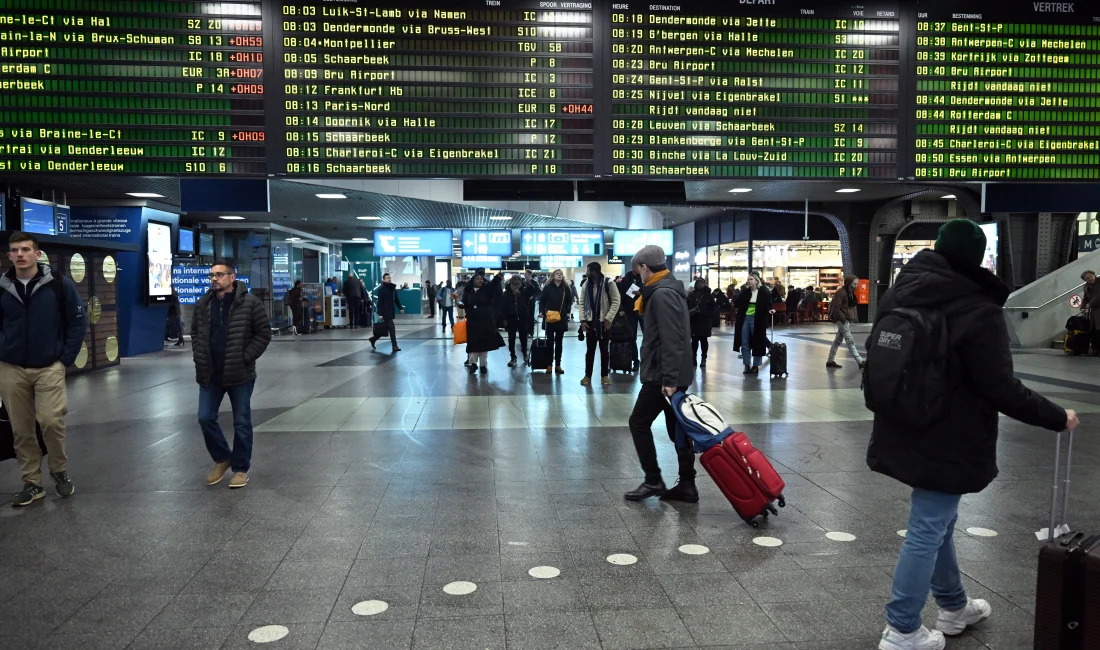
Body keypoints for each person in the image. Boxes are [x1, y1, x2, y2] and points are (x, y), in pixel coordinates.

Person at [868, 219, 1078, 650]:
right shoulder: (978, 308)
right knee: (928, 525)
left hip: (902, 422)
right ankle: (902, 629)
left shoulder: (899, 291)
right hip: (951, 434)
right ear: (979, 258)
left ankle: (953, 606)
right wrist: (1058, 416)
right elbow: (999, 386)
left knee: (938, 521)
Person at [1, 232, 86, 507]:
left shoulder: (59, 284)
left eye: (26, 249)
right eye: (15, 250)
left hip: (49, 365)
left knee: (51, 420)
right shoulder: (2, 286)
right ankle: (32, 482)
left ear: (37, 255)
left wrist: (65, 359)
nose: (20, 254)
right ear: (9, 256)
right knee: (21, 428)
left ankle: (59, 471)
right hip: (11, 367)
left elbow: (77, 322)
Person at [623, 245, 696, 503]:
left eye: (638, 271)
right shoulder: (666, 289)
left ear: (645, 267)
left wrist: (670, 380)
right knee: (677, 426)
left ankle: (653, 479)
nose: (638, 276)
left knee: (638, 422)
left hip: (662, 375)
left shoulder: (662, 294)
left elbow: (672, 339)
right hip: (669, 373)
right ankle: (687, 484)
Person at [191, 261, 271, 490]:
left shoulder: (250, 303)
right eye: (211, 275)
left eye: (219, 275)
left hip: (240, 373)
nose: (214, 279)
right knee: (205, 417)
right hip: (210, 373)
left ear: (232, 277)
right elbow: (195, 332)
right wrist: (199, 356)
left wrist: (246, 356)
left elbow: (263, 333)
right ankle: (223, 457)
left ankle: (240, 469)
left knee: (242, 422)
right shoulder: (203, 304)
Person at [578, 262, 621, 386]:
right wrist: (582, 320)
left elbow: (616, 301)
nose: (587, 273)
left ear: (594, 272)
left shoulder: (609, 283)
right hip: (590, 321)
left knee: (604, 350)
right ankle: (588, 375)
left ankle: (604, 376)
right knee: (590, 350)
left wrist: (609, 318)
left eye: (588, 270)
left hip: (604, 322)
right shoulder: (586, 284)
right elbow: (581, 302)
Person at [461, 271, 504, 372]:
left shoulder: (486, 290)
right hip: (472, 322)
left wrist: (497, 278)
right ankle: (473, 363)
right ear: (473, 281)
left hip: (485, 321)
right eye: (477, 279)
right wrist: (459, 303)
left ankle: (483, 365)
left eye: (481, 279)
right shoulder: (468, 291)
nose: (480, 280)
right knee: (473, 344)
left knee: (484, 344)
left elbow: (493, 285)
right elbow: (463, 302)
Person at [733, 275, 772, 375]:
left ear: (756, 281)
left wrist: (770, 309)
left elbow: (768, 303)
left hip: (757, 319)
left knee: (758, 342)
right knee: (745, 342)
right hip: (745, 319)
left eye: (751, 279)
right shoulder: (745, 292)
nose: (749, 281)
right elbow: (736, 302)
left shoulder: (763, 292)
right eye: (748, 280)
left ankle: (755, 365)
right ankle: (746, 365)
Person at [538, 269, 575, 374]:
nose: (559, 275)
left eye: (561, 274)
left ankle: (558, 364)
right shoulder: (547, 288)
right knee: (550, 342)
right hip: (549, 317)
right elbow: (542, 301)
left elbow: (569, 301)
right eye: (557, 274)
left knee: (559, 342)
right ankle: (549, 364)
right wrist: (541, 312)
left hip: (561, 318)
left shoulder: (565, 288)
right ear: (553, 276)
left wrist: (567, 311)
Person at [826, 273, 864, 370]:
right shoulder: (841, 293)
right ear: (849, 283)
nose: (856, 286)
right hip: (842, 320)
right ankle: (859, 361)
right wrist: (843, 320)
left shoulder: (849, 292)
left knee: (837, 341)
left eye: (857, 284)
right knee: (849, 340)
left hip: (846, 320)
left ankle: (830, 360)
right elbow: (836, 308)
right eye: (854, 284)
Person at [501, 274, 540, 367]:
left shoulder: (525, 290)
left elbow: (535, 292)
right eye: (514, 279)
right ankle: (513, 357)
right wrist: (504, 318)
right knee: (511, 338)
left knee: (523, 337)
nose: (516, 281)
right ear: (511, 281)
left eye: (518, 279)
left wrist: (530, 284)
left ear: (521, 281)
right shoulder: (507, 292)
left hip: (523, 317)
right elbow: (503, 306)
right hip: (511, 318)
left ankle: (525, 354)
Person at [369, 273, 403, 351]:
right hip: (385, 312)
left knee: (385, 328)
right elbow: (380, 302)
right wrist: (380, 313)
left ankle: (373, 339)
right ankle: (395, 346)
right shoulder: (382, 290)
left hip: (391, 311)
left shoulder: (392, 288)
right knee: (392, 328)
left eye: (389, 277)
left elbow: (396, 299)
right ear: (383, 280)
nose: (389, 279)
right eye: (387, 278)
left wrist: (400, 308)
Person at [617, 270, 643, 371]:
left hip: (642, 311)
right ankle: (635, 361)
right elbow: (622, 297)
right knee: (632, 337)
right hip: (631, 311)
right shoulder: (625, 281)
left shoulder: (644, 279)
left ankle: (644, 361)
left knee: (648, 337)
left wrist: (641, 293)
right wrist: (622, 310)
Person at [687, 279, 715, 368]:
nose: (699, 284)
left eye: (701, 283)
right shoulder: (692, 295)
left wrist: (704, 313)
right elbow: (688, 306)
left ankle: (703, 359)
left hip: (705, 322)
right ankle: (693, 358)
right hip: (694, 321)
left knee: (704, 341)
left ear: (705, 284)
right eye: (698, 283)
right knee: (694, 341)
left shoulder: (709, 296)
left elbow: (713, 309)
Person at [1082, 270, 1100, 355]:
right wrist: (1082, 307)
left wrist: (1090, 304)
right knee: (1093, 331)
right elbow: (1085, 298)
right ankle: (1095, 350)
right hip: (1094, 312)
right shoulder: (1086, 286)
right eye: (1087, 278)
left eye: (1090, 276)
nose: (1090, 279)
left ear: (1094, 274)